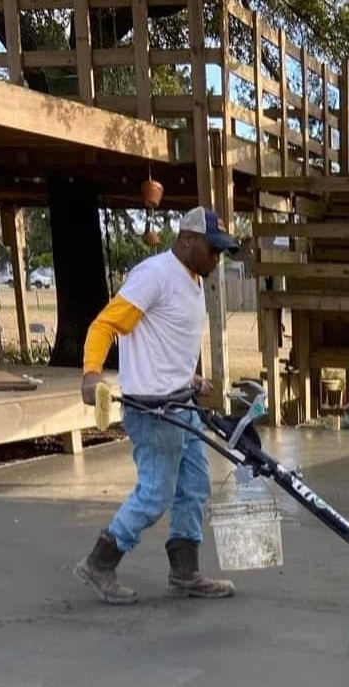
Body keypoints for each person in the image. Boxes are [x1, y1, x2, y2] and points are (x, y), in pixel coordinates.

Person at [74, 206, 239, 605]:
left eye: (220, 252)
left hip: (181, 405)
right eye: (211, 250)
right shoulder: (155, 276)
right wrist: (92, 373)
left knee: (194, 488)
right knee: (155, 494)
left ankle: (185, 574)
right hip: (153, 409)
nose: (216, 259)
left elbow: (165, 341)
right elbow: (104, 325)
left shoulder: (192, 280)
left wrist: (190, 378)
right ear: (186, 240)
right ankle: (100, 562)